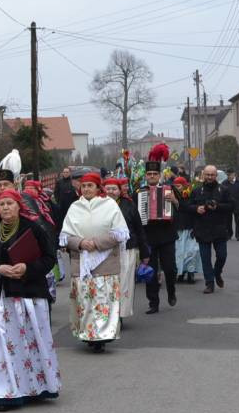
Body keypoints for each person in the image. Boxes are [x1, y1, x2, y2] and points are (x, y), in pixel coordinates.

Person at [0, 188, 60, 411]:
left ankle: (36, 387)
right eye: (2, 204)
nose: (5, 208)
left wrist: (27, 268)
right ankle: (4, 392)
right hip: (0, 297)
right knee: (1, 346)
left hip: (29, 296)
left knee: (30, 343)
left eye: (9, 203)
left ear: (18, 206)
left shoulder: (33, 228)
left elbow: (49, 257)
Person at [60, 172, 129, 352]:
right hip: (82, 262)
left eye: (90, 185)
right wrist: (81, 243)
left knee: (103, 300)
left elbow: (120, 233)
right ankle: (88, 334)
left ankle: (102, 337)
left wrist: (96, 243)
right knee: (85, 301)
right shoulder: (74, 207)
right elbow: (65, 237)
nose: (86, 189)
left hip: (105, 261)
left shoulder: (110, 205)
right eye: (84, 186)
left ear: (99, 188)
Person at [139, 146, 181, 315]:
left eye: (154, 174)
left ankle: (171, 291)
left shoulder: (170, 189)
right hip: (148, 237)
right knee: (151, 271)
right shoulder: (140, 192)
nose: (151, 176)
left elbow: (182, 208)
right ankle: (153, 302)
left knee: (170, 269)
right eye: (149, 174)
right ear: (145, 176)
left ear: (159, 175)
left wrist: (175, 201)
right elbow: (135, 216)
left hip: (167, 236)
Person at [106, 177, 149, 321]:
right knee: (107, 283)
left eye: (114, 189)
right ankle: (107, 313)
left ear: (120, 191)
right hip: (104, 251)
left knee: (124, 282)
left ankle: (120, 315)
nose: (111, 191)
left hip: (127, 249)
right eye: (108, 188)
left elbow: (139, 229)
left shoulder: (129, 205)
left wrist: (144, 252)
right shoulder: (98, 204)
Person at [188, 165, 234, 293]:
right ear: (203, 175)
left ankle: (217, 272)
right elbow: (188, 207)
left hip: (219, 229)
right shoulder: (197, 191)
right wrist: (196, 209)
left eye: (212, 175)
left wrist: (217, 206)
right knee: (205, 258)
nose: (209, 177)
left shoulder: (223, 190)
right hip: (202, 229)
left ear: (216, 176)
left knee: (222, 256)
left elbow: (231, 206)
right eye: (207, 174)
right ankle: (209, 283)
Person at [173, 175, 201, 285]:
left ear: (184, 186)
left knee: (191, 251)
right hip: (178, 228)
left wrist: (196, 228)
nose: (177, 188)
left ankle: (191, 272)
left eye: (179, 186)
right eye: (175, 186)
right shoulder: (171, 196)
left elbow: (191, 209)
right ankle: (181, 272)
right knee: (179, 252)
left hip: (190, 227)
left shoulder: (191, 195)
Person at [223, 170, 239, 241]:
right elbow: (222, 193)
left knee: (237, 220)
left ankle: (238, 235)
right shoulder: (224, 183)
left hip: (237, 204)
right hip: (228, 205)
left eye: (230, 175)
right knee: (228, 220)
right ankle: (229, 234)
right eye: (228, 175)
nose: (229, 176)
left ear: (234, 175)